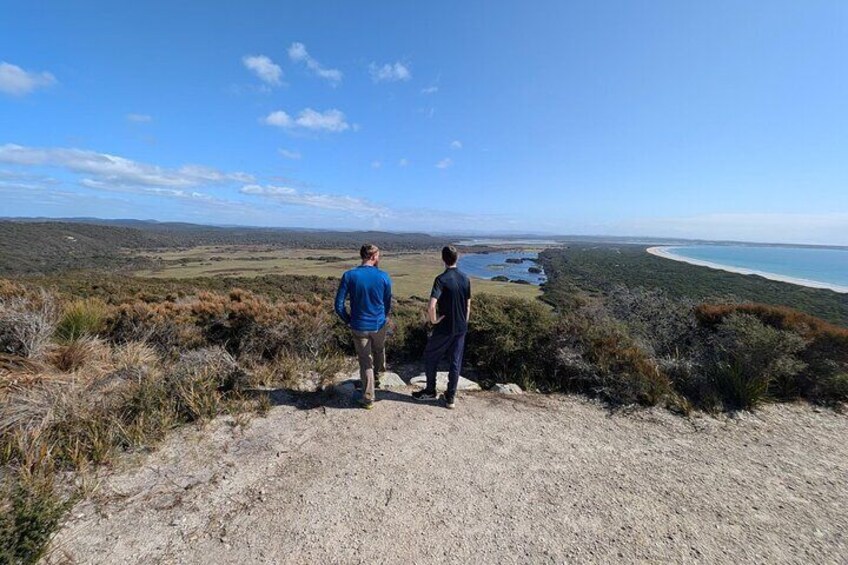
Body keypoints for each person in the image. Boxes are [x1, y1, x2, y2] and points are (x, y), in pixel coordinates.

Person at [334, 244, 393, 409]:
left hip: (359, 325)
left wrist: (348, 320)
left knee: (365, 361)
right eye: (378, 255)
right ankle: (379, 374)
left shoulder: (349, 276)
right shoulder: (384, 276)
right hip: (379, 323)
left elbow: (338, 305)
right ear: (373, 257)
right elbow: (387, 301)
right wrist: (383, 316)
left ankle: (368, 398)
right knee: (379, 349)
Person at [413, 245, 471, 409]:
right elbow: (468, 305)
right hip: (461, 327)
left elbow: (431, 306)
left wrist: (434, 321)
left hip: (445, 326)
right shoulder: (465, 278)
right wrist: (464, 322)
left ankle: (430, 391)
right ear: (457, 258)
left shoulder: (441, 279)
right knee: (455, 361)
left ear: (443, 259)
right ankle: (450, 397)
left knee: (430, 356)